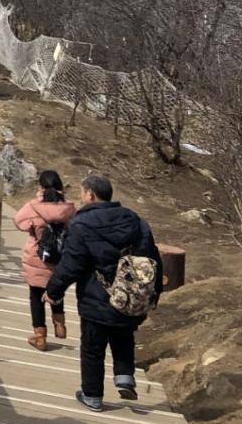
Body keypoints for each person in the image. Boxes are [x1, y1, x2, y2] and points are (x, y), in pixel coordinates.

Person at [45, 173, 163, 411]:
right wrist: (154, 293)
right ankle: (125, 378)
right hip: (130, 294)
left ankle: (92, 396)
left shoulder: (81, 224)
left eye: (81, 192)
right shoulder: (136, 221)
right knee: (123, 335)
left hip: (96, 295)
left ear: (90, 194)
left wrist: (53, 291)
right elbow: (152, 257)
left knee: (93, 347)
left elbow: (72, 264)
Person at [14, 170, 75, 351]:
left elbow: (19, 221)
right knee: (56, 289)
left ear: (40, 186)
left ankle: (40, 337)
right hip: (60, 257)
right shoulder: (68, 207)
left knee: (36, 296)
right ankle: (60, 325)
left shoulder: (34, 206)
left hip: (38, 257)